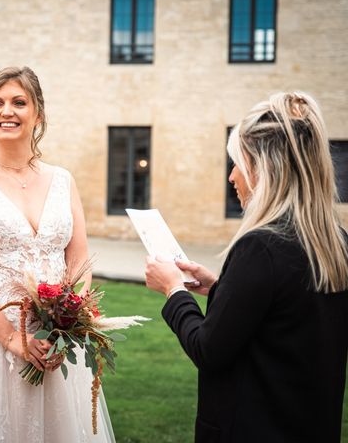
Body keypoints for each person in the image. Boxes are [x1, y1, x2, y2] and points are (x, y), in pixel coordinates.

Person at [145, 92, 348, 442]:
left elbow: (208, 349)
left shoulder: (260, 247)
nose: (232, 177)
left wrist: (173, 290)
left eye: (237, 163)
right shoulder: (336, 242)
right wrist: (222, 287)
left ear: (262, 168)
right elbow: (284, 317)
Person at [0, 66, 115, 442]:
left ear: (38, 114)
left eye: (19, 102)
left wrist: (68, 322)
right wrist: (9, 338)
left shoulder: (63, 179)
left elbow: (80, 258)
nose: (7, 112)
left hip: (55, 340)